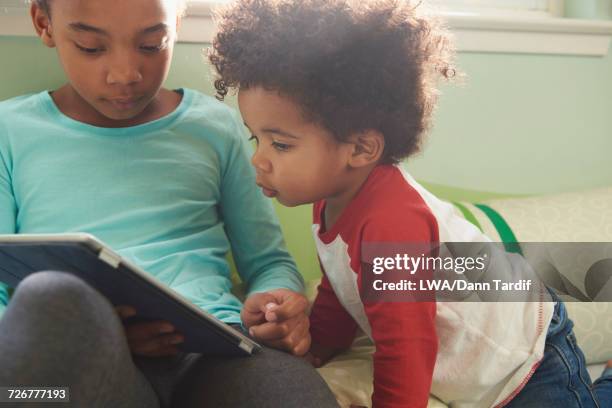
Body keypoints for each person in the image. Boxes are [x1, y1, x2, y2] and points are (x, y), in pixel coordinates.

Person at [209, 0, 612, 406]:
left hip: (529, 360)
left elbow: (406, 350)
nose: (258, 159)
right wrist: (317, 347)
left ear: (362, 147)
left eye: (280, 144)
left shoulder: (392, 223)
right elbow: (338, 287)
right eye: (255, 138)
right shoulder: (333, 197)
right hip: (477, 368)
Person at [0, 0, 339, 407]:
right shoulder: (10, 131)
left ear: (176, 23)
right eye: (91, 47)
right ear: (44, 24)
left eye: (152, 44)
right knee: (47, 300)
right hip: (81, 354)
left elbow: (269, 263)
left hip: (215, 344)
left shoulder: (213, 125)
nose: (125, 75)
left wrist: (275, 306)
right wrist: (94, 332)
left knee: (288, 392)